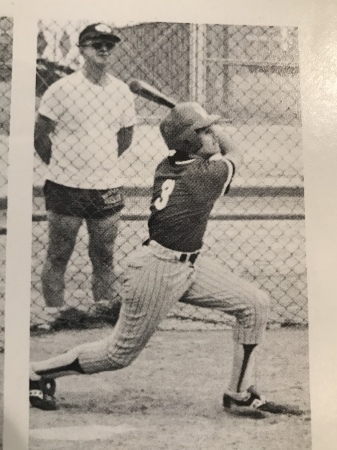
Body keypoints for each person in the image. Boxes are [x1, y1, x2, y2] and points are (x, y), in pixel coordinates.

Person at [30, 102, 296, 416]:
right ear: (188, 141)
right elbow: (234, 150)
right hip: (157, 270)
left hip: (189, 264)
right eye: (204, 132)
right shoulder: (203, 175)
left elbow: (203, 146)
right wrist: (204, 128)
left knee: (254, 304)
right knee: (118, 355)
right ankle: (36, 373)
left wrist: (194, 124)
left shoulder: (169, 162)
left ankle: (239, 393)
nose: (212, 136)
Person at [34, 23, 137, 315]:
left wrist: (100, 164)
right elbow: (40, 135)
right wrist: (63, 166)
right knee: (58, 254)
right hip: (66, 185)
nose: (103, 48)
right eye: (95, 43)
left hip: (106, 186)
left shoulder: (121, 91)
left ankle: (102, 308)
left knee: (104, 256)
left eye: (109, 43)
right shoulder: (62, 89)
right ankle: (56, 313)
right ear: (81, 49)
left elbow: (125, 136)